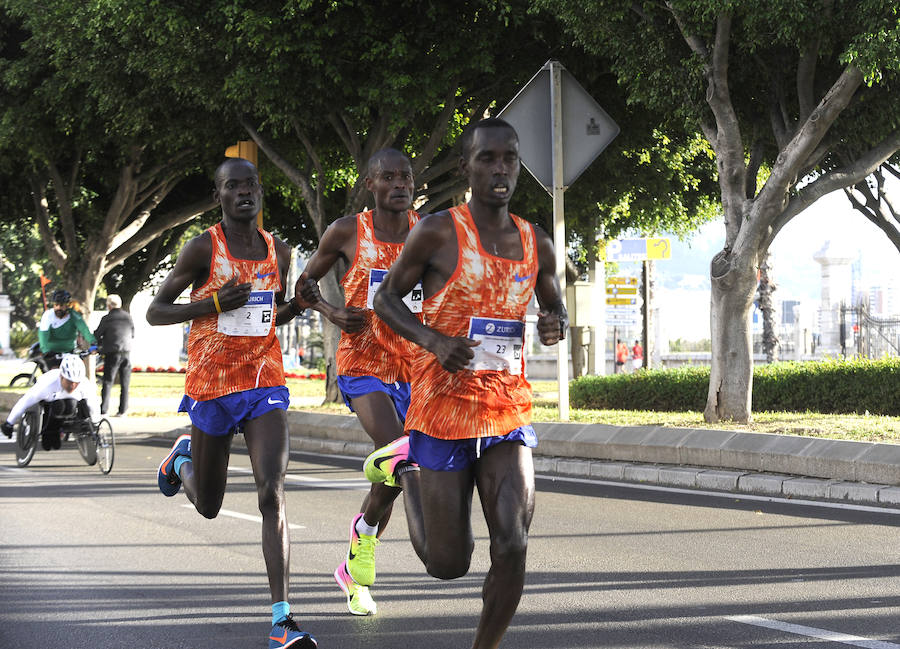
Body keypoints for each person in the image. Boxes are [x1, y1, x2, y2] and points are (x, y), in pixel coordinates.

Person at [367, 118, 567, 649]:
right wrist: (433, 341)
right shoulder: (436, 231)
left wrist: (555, 324)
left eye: (509, 158)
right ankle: (405, 471)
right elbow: (384, 299)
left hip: (505, 410)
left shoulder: (535, 241)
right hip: (441, 410)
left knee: (513, 541)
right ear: (466, 168)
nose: (500, 169)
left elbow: (554, 307)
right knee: (446, 563)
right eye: (487, 158)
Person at [146, 157, 317, 649]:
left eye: (251, 184)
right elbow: (158, 311)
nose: (244, 192)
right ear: (219, 195)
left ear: (260, 191)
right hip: (212, 387)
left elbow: (270, 315)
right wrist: (212, 304)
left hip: (265, 382)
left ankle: (282, 621)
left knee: (273, 492)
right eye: (232, 186)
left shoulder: (279, 252)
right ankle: (182, 463)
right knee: (209, 506)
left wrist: (298, 306)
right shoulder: (203, 248)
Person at [295, 148, 420, 616]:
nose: (398, 184)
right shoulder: (348, 231)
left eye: (405, 176)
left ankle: (361, 539)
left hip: (416, 367)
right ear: (370, 184)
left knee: (401, 466)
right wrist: (332, 312)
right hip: (363, 362)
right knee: (402, 453)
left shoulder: (429, 233)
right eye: (388, 177)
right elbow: (303, 288)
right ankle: (363, 545)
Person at [1, 354, 100, 450]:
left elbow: (93, 404)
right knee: (59, 406)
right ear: (61, 376)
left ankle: (77, 426)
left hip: (73, 405)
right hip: (50, 406)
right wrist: (9, 423)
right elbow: (24, 402)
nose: (72, 385)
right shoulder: (46, 385)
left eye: (76, 383)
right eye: (69, 382)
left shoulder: (84, 384)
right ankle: (51, 431)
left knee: (74, 404)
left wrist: (95, 425)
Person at [93, 294, 134, 416]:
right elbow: (132, 334)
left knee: (107, 382)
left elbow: (97, 334)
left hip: (112, 353)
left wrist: (99, 345)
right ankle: (123, 410)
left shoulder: (107, 318)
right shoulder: (128, 317)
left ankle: (104, 410)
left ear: (109, 305)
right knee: (125, 383)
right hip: (126, 352)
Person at [38, 289, 96, 369]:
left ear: (67, 305)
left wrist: (93, 342)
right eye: (56, 304)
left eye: (61, 305)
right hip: (51, 354)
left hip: (69, 353)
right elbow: (43, 336)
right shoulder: (48, 315)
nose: (58, 308)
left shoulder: (74, 316)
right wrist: (46, 351)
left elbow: (84, 330)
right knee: (54, 375)